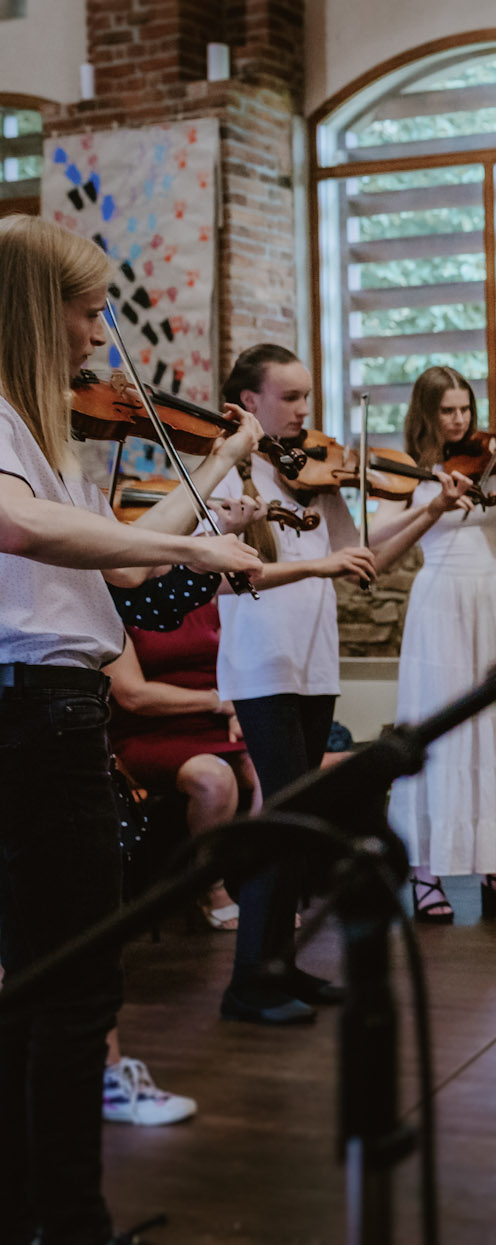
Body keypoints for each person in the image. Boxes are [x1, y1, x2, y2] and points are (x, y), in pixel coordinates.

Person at [0, 214, 266, 1245]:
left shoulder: (42, 433)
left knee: (46, 983)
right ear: (37, 311)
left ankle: (39, 1213)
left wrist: (216, 474)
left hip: (55, 714)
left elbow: (119, 559)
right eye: (85, 310)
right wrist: (202, 556)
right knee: (72, 988)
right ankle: (68, 1222)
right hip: (32, 715)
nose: (98, 330)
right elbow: (21, 526)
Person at [213, 343, 472, 1024]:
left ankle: (280, 964)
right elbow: (235, 577)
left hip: (314, 663)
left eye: (307, 396)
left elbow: (364, 558)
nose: (305, 409)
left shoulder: (315, 474)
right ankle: (248, 982)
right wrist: (322, 566)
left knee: (301, 821)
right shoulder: (226, 473)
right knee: (283, 816)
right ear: (250, 402)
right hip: (262, 665)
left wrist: (429, 511)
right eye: (291, 397)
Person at [384, 366, 496, 924]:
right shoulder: (407, 470)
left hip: (489, 596)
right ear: (426, 414)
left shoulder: (492, 465)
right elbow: (377, 540)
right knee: (438, 730)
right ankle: (425, 870)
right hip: (439, 603)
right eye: (447, 410)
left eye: (466, 409)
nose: (460, 420)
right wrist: (431, 505)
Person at [107, 584, 262, 930]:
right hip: (148, 734)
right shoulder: (119, 609)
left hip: (215, 727)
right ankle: (209, 885)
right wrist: (217, 701)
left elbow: (235, 664)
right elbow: (134, 695)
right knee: (214, 778)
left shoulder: (203, 601)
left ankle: (257, 880)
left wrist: (240, 709)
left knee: (274, 769)